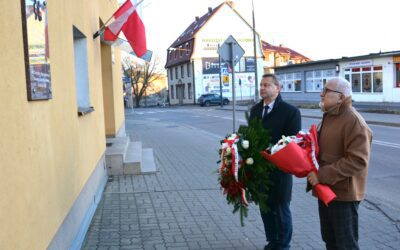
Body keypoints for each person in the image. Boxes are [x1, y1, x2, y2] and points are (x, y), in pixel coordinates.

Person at [307, 77, 372, 250]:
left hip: (343, 195)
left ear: (341, 97)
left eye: (326, 91)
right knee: (330, 241)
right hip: (326, 191)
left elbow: (358, 161)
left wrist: (321, 175)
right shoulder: (329, 115)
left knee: (345, 245)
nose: (322, 94)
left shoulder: (354, 121)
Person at [250, 73, 301, 250]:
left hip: (280, 170)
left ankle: (283, 245)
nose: (262, 88)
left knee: (281, 209)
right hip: (260, 170)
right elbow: (251, 137)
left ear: (278, 88)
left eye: (267, 85)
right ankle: (272, 242)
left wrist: (270, 151)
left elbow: (292, 142)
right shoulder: (255, 110)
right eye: (261, 85)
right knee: (265, 208)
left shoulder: (290, 112)